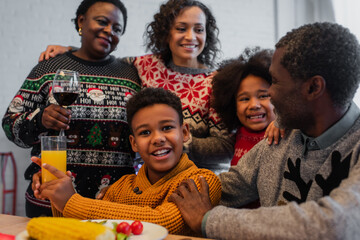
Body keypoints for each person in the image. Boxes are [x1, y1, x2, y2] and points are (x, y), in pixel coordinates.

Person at [169, 22, 360, 239]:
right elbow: (227, 186)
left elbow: (335, 225)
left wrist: (207, 220)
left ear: (313, 88)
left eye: (276, 82)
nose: (270, 94)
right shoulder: (281, 137)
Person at [38, 0, 235, 175]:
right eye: (181, 28)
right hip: (149, 181)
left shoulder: (217, 83)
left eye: (199, 29)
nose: (190, 37)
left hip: (199, 182)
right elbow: (104, 61)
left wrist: (177, 141)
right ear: (166, 33)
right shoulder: (144, 65)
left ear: (207, 35)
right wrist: (72, 50)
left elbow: (225, 147)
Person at [1, 0, 141, 217]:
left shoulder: (131, 75)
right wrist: (40, 120)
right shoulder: (48, 68)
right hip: (50, 202)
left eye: (117, 28)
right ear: (81, 21)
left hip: (110, 204)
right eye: (102, 22)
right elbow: (10, 126)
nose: (108, 31)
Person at [31, 87, 222, 235]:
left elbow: (162, 222)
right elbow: (89, 229)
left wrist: (71, 201)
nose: (157, 138)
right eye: (145, 132)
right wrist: (56, 194)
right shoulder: (121, 187)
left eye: (167, 128)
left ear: (185, 132)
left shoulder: (202, 180)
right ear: (134, 143)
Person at [212, 47, 277, 167]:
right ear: (232, 105)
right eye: (244, 99)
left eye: (263, 96)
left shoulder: (285, 133)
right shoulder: (235, 137)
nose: (254, 105)